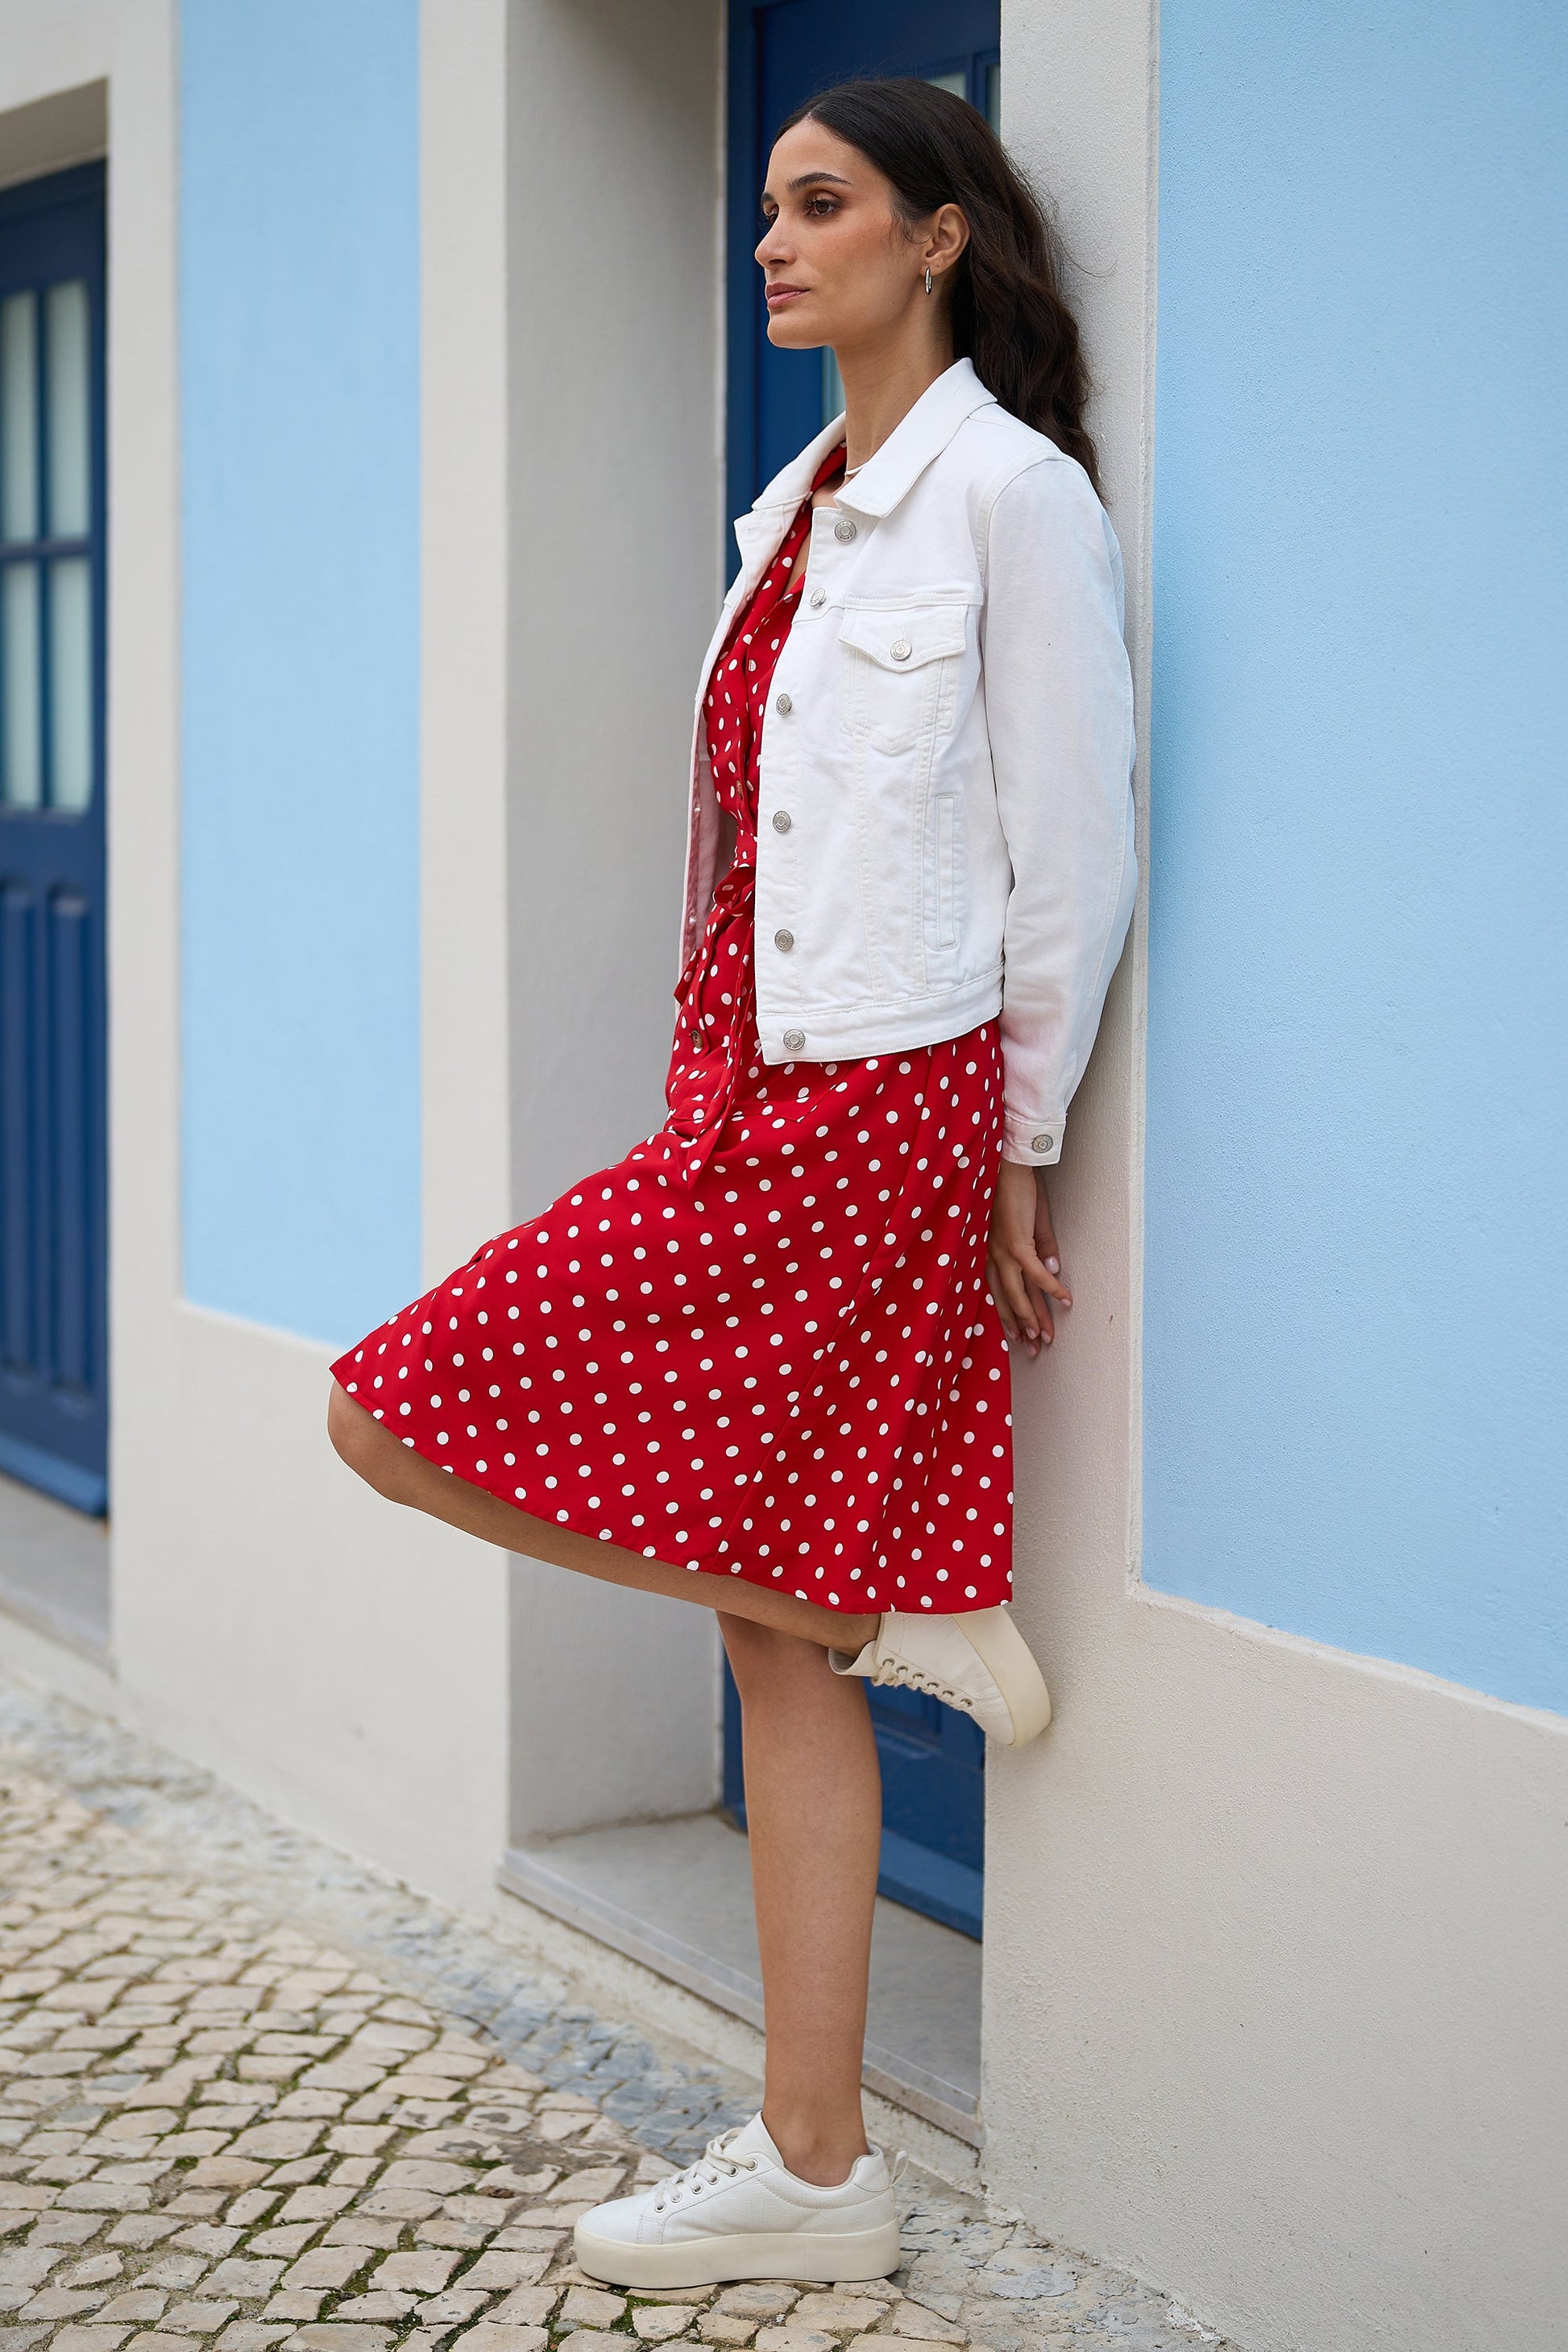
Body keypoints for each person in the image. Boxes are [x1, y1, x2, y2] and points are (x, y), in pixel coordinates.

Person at [328, 75, 1136, 2289]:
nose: (773, 239)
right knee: (762, 1620)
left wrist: (1020, 1147)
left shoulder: (1011, 498)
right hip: (733, 1093)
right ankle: (817, 2164)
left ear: (938, 235)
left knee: (389, 1409)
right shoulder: (791, 511)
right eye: (767, 205)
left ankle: (886, 1655)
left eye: (822, 203)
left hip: (873, 1108)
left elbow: (1071, 857)